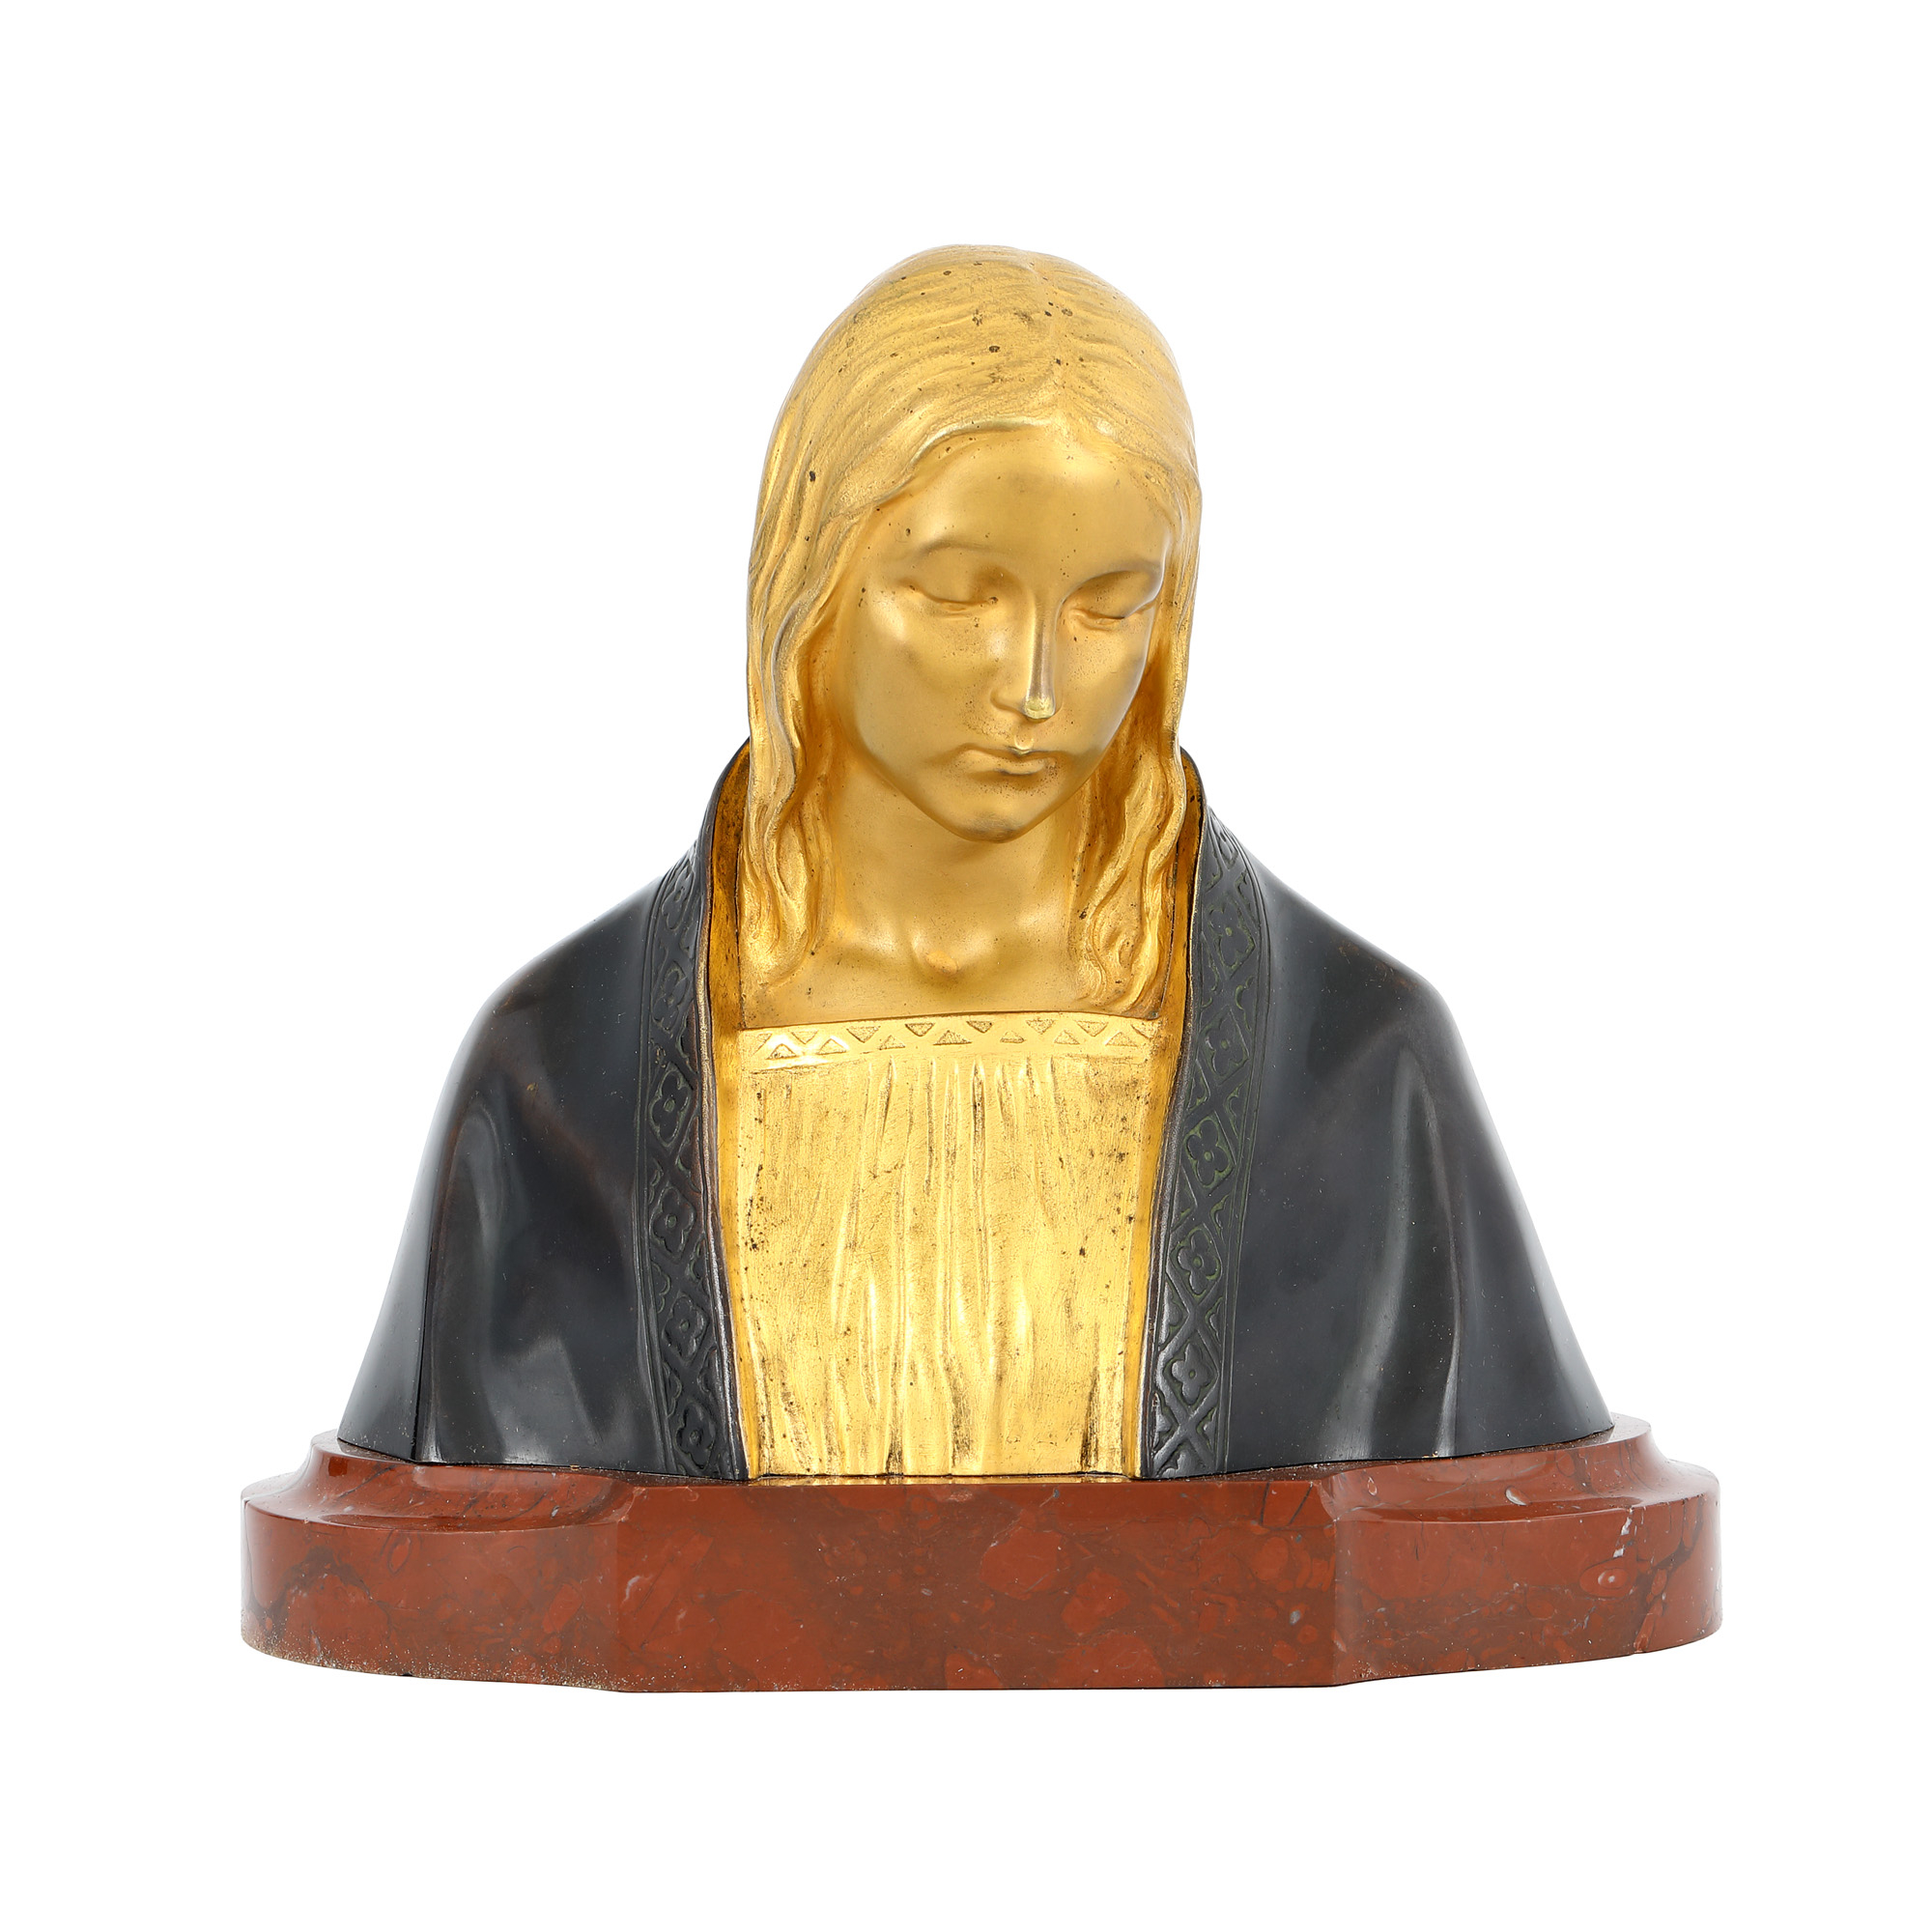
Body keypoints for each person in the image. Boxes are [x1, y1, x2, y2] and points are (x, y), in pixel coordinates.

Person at [340, 245, 1609, 1481]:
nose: (1036, 687)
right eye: (957, 595)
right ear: (810, 578)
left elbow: (1490, 1532)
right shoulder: (564, 1085)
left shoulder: (1360, 1079)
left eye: (1110, 603)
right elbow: (455, 1539)